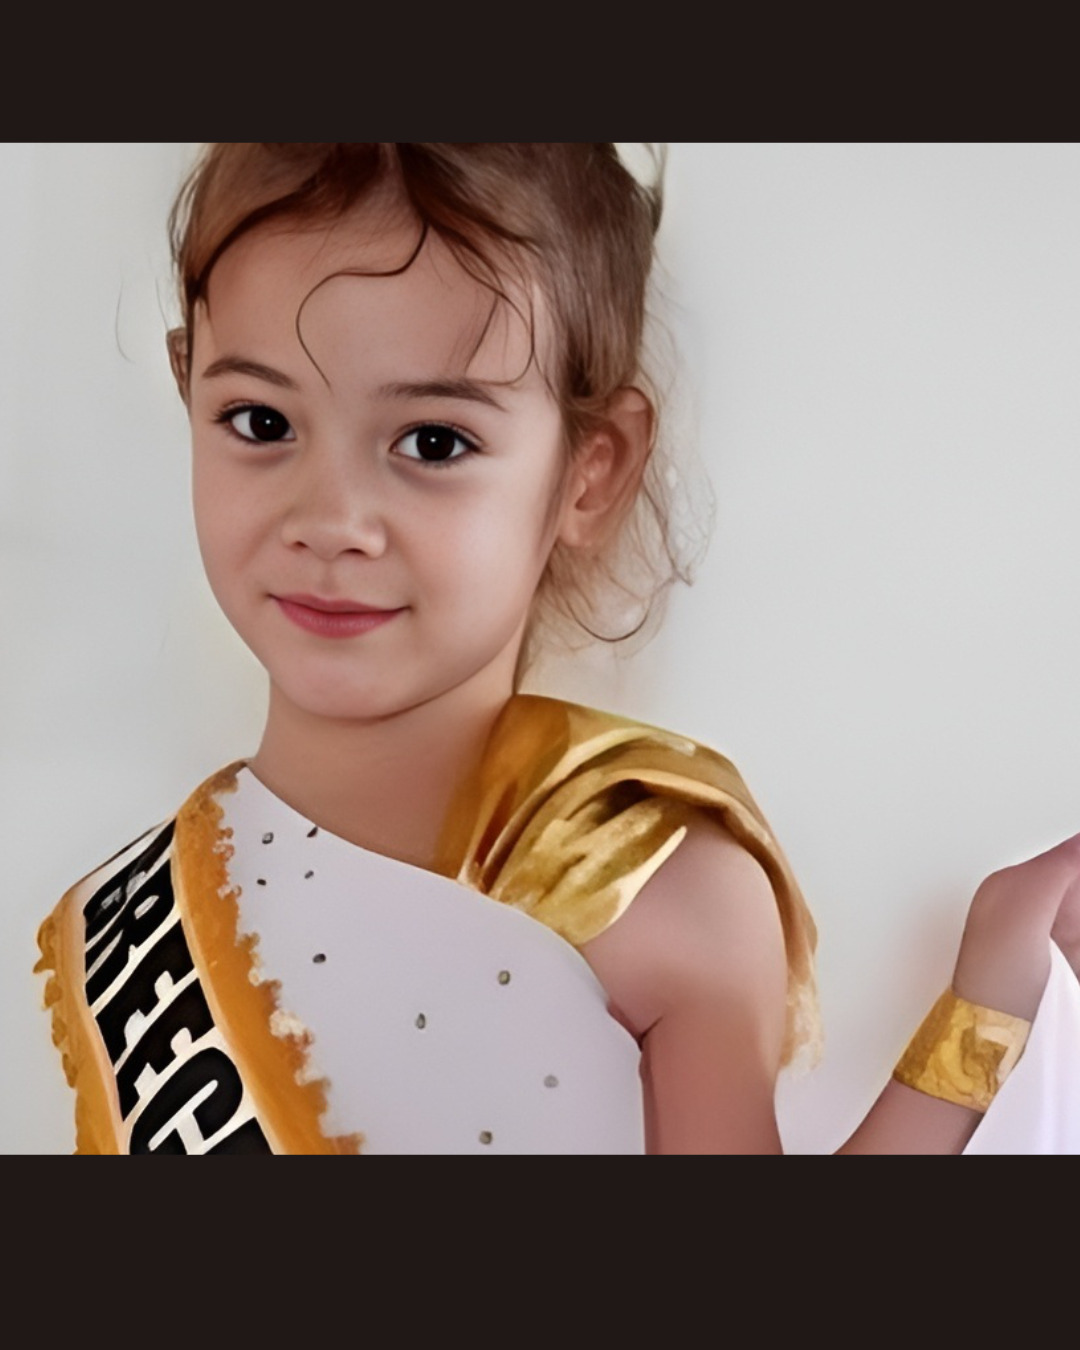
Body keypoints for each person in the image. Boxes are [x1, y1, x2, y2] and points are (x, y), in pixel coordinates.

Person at [34, 143, 1080, 1154]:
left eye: (433, 442)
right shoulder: (115, 920)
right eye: (261, 422)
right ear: (188, 390)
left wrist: (987, 1009)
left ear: (590, 471)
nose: (331, 520)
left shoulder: (652, 886)